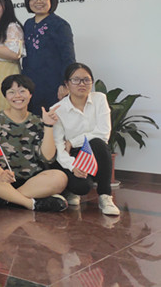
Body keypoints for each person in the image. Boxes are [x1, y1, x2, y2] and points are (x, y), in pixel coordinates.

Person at [0, 74, 68, 212]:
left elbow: (48, 157)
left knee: (60, 178)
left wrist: (48, 126)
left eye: (22, 91)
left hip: (32, 182)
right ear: (5, 96)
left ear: (30, 94)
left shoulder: (37, 121)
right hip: (0, 179)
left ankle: (4, 198)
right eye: (11, 92)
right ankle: (30, 203)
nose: (17, 96)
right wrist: (0, 173)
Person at [53, 63, 119, 216]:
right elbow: (59, 147)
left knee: (99, 143)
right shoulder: (57, 110)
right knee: (81, 187)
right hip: (72, 155)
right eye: (76, 80)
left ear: (92, 82)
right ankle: (71, 190)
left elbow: (103, 133)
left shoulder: (100, 99)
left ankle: (105, 196)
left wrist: (72, 141)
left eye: (86, 80)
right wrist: (72, 167)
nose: (81, 84)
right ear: (67, 84)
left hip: (94, 151)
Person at [22, 0, 76, 115]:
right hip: (30, 83)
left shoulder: (60, 25)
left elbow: (68, 57)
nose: (38, 1)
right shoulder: (28, 24)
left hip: (53, 83)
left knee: (53, 120)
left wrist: (65, 84)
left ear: (51, 0)